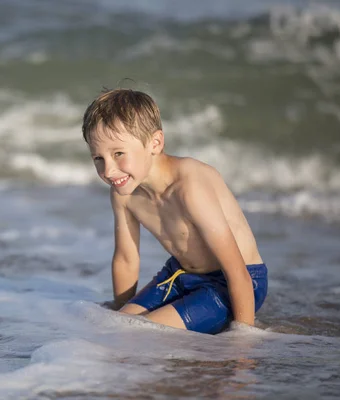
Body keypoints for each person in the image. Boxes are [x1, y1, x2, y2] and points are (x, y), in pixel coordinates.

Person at [82, 88, 268, 334]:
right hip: (180, 274)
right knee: (114, 329)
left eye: (118, 154)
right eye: (98, 159)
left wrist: (243, 341)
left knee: (143, 333)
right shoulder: (123, 193)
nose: (108, 171)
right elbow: (127, 259)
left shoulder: (189, 186)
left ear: (155, 143)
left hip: (235, 281)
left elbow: (237, 272)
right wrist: (120, 309)